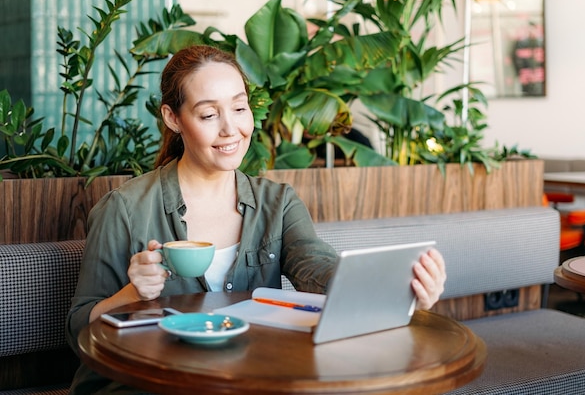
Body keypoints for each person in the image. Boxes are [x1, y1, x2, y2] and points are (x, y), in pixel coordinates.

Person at [65, 45, 447, 394]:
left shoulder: (277, 203)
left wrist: (401, 289)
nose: (231, 129)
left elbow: (318, 268)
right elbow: (79, 326)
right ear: (173, 118)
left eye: (240, 107)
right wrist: (134, 293)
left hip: (245, 380)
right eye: (209, 114)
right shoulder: (125, 208)